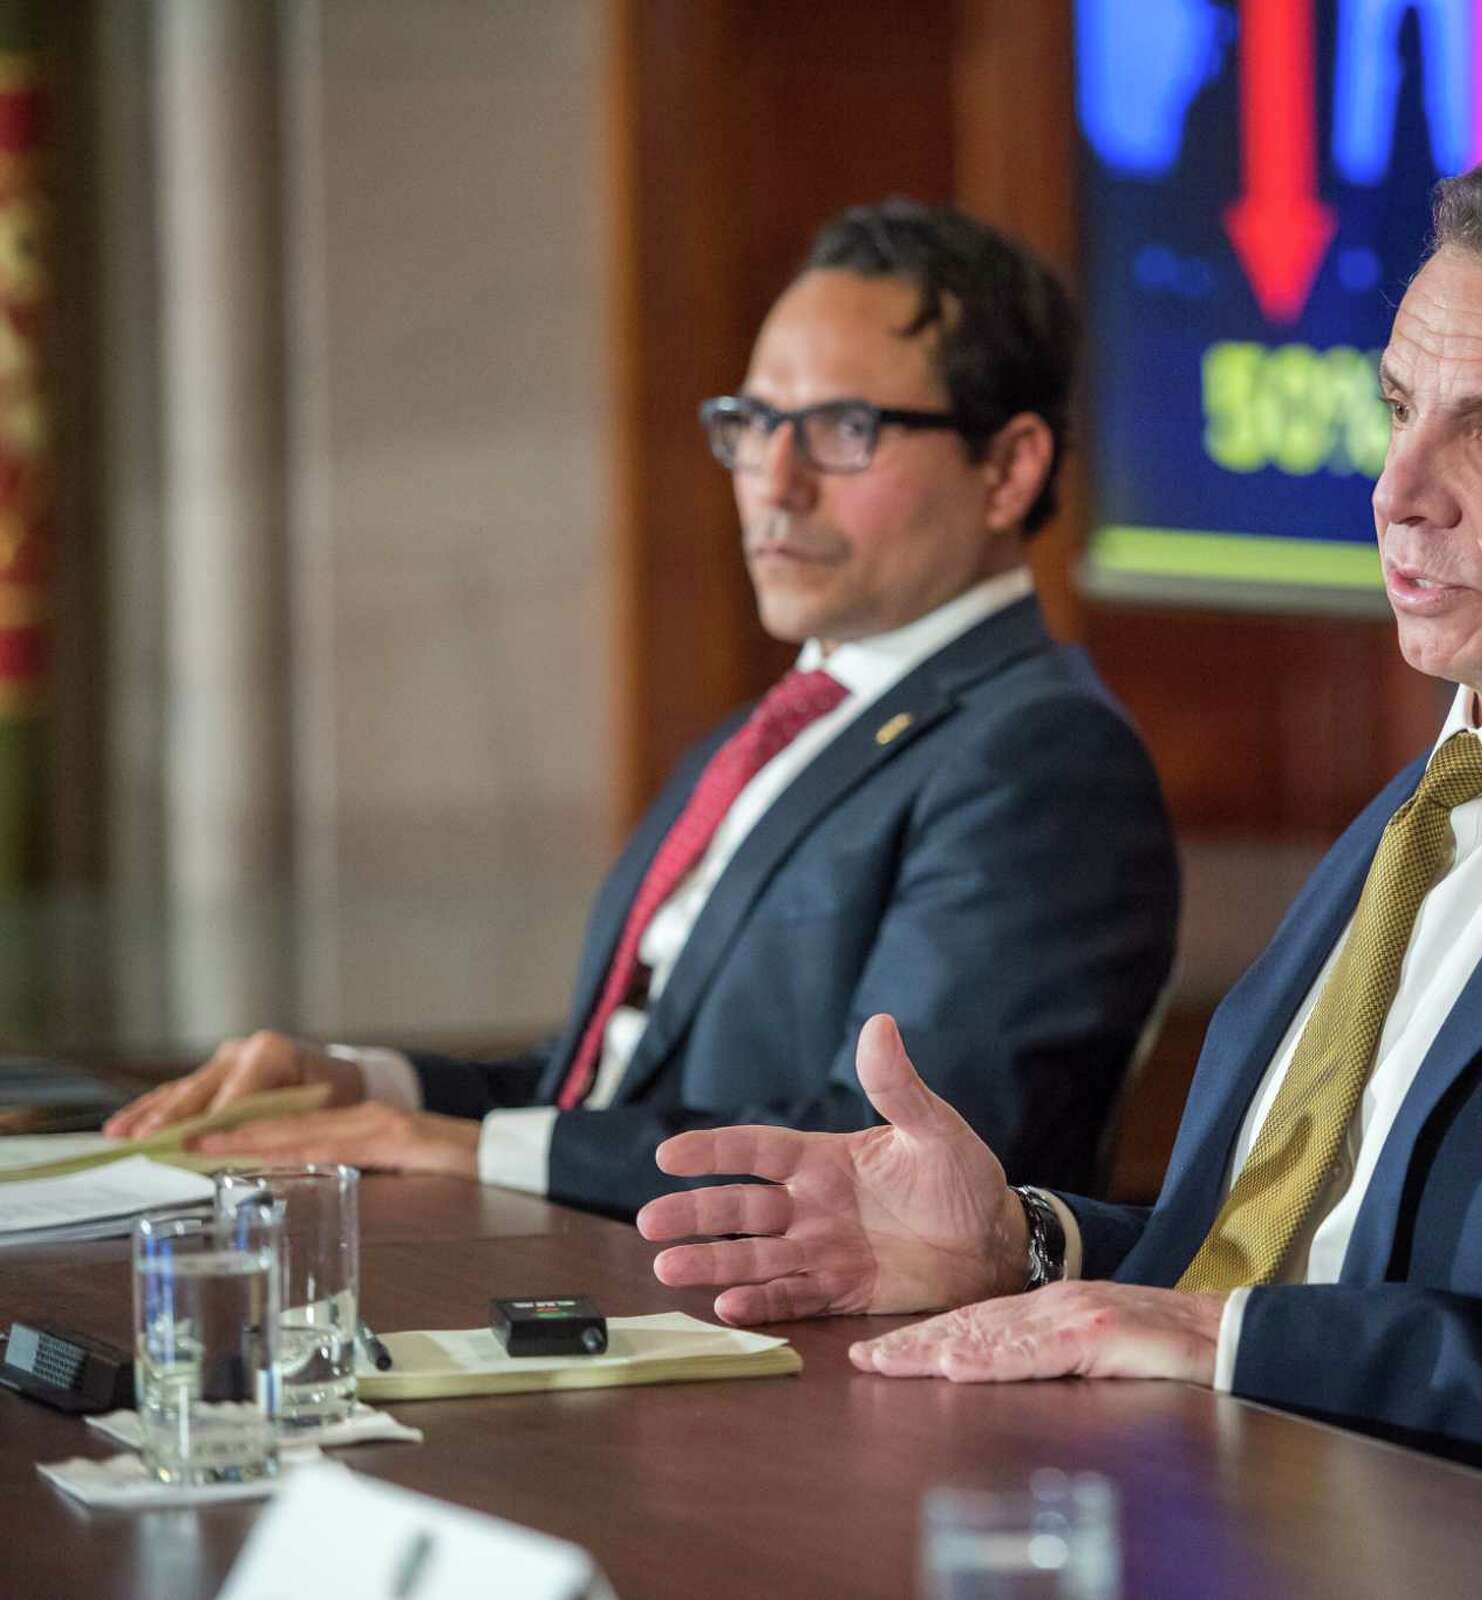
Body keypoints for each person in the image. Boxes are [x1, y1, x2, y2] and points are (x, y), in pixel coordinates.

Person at [635, 144, 1482, 1574]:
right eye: (1398, 411)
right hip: (1196, 1517)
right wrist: (1031, 1246)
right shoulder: (1440, 795)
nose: (1397, 491)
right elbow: (1289, 1257)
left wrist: (1224, 1341)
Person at [107, 201, 1181, 1220]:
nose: (775, 478)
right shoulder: (775, 729)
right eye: (756, 421)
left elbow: (897, 1159)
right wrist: (356, 1084)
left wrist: (467, 1148)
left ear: (1007, 468)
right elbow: (601, 1086)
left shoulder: (1043, 752)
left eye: (844, 427)